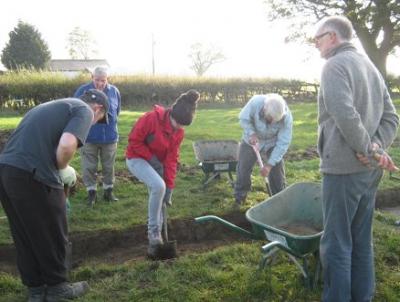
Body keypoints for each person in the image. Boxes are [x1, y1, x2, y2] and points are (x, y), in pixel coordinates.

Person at [314, 16, 399, 302]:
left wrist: (369, 149)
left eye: (318, 39)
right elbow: (392, 118)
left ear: (333, 37)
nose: (316, 45)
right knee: (361, 239)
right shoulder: (370, 67)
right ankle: (363, 297)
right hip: (370, 171)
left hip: (343, 169)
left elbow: (344, 114)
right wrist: (376, 148)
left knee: (336, 242)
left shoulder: (333, 66)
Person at [0, 89, 109, 302]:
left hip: (6, 172)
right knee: (53, 230)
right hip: (32, 175)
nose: (94, 123)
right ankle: (58, 287)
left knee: (25, 233)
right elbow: (67, 144)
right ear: (98, 109)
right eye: (100, 120)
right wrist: (61, 168)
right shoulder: (84, 110)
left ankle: (36, 290)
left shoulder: (50, 106)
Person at [125, 89, 200, 257]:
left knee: (161, 192)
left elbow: (172, 159)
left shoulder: (179, 132)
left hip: (157, 164)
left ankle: (157, 241)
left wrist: (170, 187)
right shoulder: (151, 119)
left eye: (182, 126)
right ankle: (153, 233)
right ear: (171, 114)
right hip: (136, 158)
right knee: (158, 186)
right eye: (177, 124)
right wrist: (152, 160)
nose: (179, 128)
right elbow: (134, 141)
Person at [74, 66, 121, 206]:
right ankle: (91, 193)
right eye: (97, 80)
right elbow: (75, 111)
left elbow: (117, 111)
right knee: (89, 166)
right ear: (91, 78)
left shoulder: (114, 91)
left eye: (103, 80)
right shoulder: (83, 91)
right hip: (88, 137)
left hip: (110, 137)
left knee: (109, 166)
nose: (100, 83)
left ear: (107, 79)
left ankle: (108, 191)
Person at [234, 93, 293, 206]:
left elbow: (283, 143)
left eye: (275, 121)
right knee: (243, 168)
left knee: (277, 171)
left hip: (272, 142)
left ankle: (278, 199)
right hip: (251, 139)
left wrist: (269, 165)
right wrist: (251, 133)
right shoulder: (255, 102)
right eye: (270, 119)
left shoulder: (287, 117)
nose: (272, 122)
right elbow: (243, 119)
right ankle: (240, 197)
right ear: (265, 109)